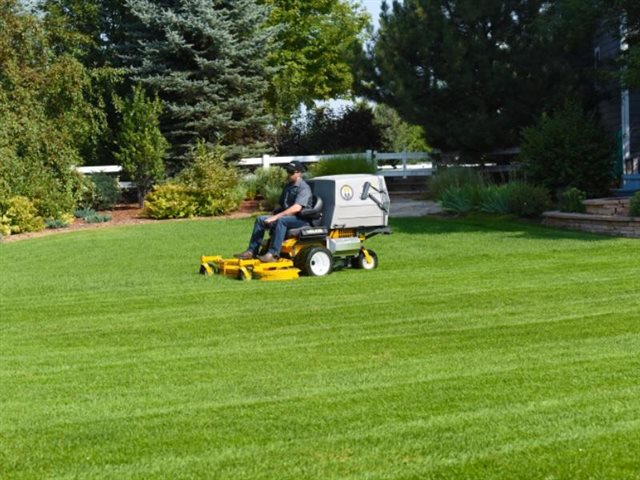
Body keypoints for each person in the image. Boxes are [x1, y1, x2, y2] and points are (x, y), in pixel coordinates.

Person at [234, 160, 313, 262]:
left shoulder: (304, 188)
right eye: (288, 172)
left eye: (291, 172)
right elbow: (280, 204)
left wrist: (276, 217)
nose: (288, 174)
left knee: (281, 221)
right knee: (260, 219)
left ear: (299, 173)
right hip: (288, 217)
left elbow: (296, 208)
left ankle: (273, 254)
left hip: (301, 219)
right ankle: (251, 251)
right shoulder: (288, 186)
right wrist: (272, 214)